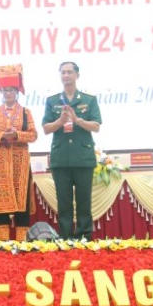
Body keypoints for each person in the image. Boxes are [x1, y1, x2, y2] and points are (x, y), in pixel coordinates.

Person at [42, 61, 102, 241]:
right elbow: (46, 128)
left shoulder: (89, 100)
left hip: (83, 158)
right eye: (63, 72)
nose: (66, 75)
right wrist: (60, 122)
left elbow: (96, 126)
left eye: (69, 72)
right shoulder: (52, 101)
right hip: (61, 159)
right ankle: (66, 237)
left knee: (84, 201)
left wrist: (77, 120)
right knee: (64, 203)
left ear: (77, 75)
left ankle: (84, 237)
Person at [0, 65, 37, 241]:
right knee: (1, 202)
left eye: (11, 90)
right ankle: (3, 242)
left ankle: (22, 241)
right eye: (5, 90)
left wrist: (17, 135)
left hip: (20, 162)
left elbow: (33, 135)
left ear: (17, 92)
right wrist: (2, 136)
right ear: (1, 91)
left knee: (22, 202)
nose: (8, 93)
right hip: (0, 163)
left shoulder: (26, 112)